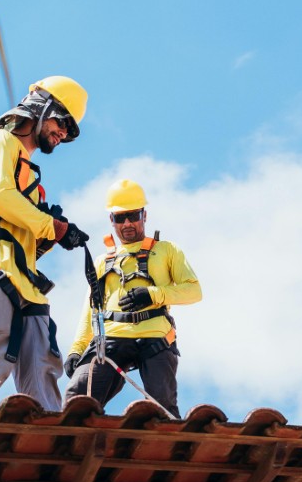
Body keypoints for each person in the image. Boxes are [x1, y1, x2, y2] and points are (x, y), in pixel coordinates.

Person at [0, 76, 90, 409]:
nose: (62, 135)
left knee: (42, 366)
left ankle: (49, 447)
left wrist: (56, 233)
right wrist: (48, 225)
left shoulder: (29, 177)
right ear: (42, 108)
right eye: (62, 124)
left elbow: (23, 233)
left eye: (69, 132)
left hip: (24, 282)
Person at [63, 179, 201, 418]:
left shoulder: (167, 250)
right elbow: (91, 309)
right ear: (111, 220)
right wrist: (76, 349)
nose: (127, 223)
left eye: (133, 215)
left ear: (144, 215)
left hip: (155, 339)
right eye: (120, 218)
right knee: (77, 399)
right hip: (113, 338)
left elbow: (194, 291)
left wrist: (153, 294)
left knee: (163, 411)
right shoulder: (102, 262)